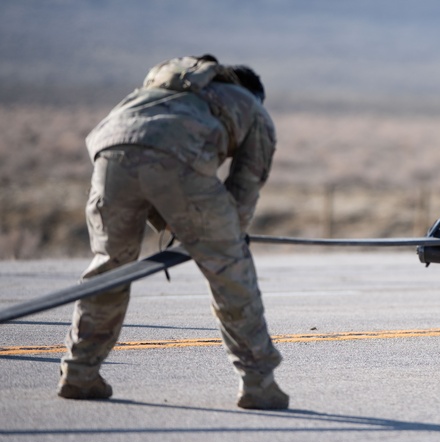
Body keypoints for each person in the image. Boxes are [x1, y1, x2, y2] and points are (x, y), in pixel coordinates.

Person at [58, 55, 289, 410]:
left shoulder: (169, 91)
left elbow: (144, 158)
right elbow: (246, 184)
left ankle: (79, 373)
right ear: (254, 95)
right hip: (176, 157)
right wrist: (226, 237)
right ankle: (259, 383)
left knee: (109, 269)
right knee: (231, 273)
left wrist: (182, 224)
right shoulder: (252, 108)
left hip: (110, 149)